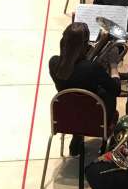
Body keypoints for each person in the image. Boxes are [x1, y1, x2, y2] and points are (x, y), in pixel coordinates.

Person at [49, 22, 120, 155]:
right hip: (95, 118)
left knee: (77, 100)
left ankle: (77, 137)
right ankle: (106, 144)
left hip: (67, 115)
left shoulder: (53, 62)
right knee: (108, 94)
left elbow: (74, 74)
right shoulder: (91, 68)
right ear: (84, 45)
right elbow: (116, 89)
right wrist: (113, 66)